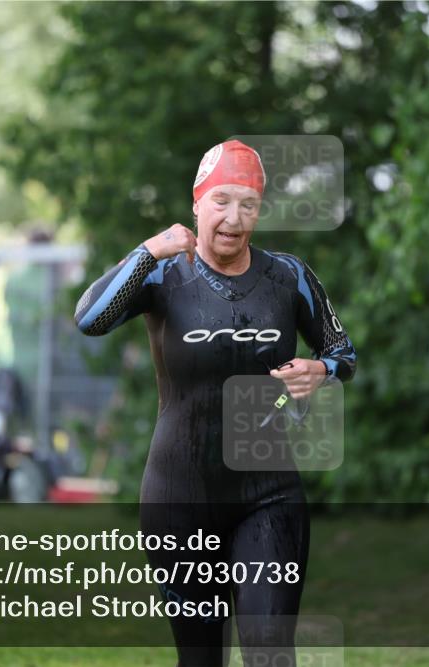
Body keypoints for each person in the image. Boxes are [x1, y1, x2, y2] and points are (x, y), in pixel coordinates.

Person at [75, 140, 356, 666]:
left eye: (248, 204)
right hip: (179, 496)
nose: (233, 217)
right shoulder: (162, 274)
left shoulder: (289, 276)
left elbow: (343, 352)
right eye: (221, 200)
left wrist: (320, 370)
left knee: (271, 652)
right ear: (197, 203)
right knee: (201, 658)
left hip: (268, 494)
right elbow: (90, 320)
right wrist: (147, 251)